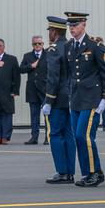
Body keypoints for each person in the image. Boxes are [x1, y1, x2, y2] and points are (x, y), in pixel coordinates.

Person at [65, 11, 105, 187]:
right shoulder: (70, 46)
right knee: (78, 138)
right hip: (77, 98)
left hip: (92, 98)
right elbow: (70, 73)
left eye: (75, 25)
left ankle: (94, 172)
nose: (72, 29)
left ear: (84, 24)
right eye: (70, 25)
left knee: (83, 135)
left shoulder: (95, 45)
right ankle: (89, 172)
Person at [42, 16, 75, 184]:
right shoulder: (70, 46)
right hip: (71, 97)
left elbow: (53, 77)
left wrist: (48, 100)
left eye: (50, 31)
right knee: (69, 134)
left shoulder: (54, 49)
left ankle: (62, 171)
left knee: (55, 134)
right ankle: (70, 171)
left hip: (57, 99)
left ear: (54, 32)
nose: (49, 34)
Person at [20, 35, 48, 144]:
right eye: (35, 44)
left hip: (45, 89)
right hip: (32, 90)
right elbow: (21, 69)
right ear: (32, 45)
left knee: (47, 115)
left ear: (42, 44)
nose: (37, 45)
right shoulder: (27, 56)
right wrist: (31, 66)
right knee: (34, 115)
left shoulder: (48, 55)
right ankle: (34, 137)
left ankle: (48, 137)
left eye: (39, 43)